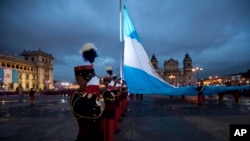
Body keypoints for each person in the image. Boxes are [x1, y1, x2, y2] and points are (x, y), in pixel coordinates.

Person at [70, 43, 105, 141]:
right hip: (86, 137)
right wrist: (92, 89)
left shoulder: (94, 92)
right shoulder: (76, 96)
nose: (92, 81)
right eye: (89, 78)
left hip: (99, 134)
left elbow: (102, 107)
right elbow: (87, 113)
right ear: (80, 80)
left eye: (92, 78)